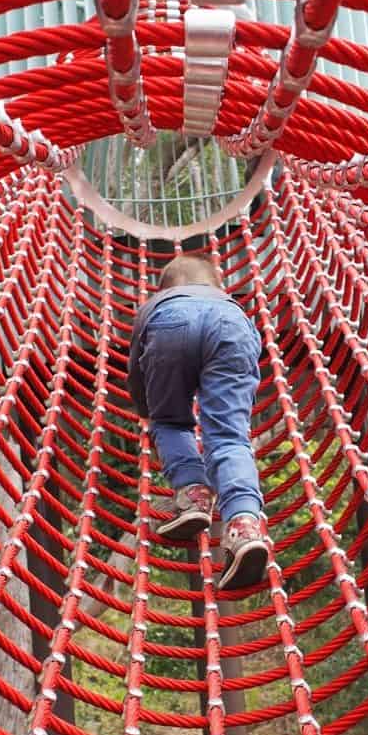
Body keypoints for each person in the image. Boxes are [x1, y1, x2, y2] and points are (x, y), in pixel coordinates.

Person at [127, 253, 267, 591]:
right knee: (230, 438)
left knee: (170, 421)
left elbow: (136, 372)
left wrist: (148, 411)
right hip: (232, 327)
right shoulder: (228, 302)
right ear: (216, 285)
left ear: (164, 288)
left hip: (169, 325)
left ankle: (194, 495)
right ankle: (244, 526)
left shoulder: (156, 305)